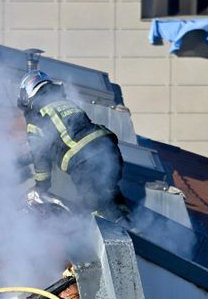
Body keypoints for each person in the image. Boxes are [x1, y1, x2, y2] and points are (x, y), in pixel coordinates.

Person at [17, 70, 126, 219]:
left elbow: (40, 154)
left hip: (85, 162)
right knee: (110, 192)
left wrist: (41, 185)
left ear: (26, 95)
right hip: (108, 149)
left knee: (97, 210)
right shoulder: (66, 103)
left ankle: (117, 236)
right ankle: (132, 227)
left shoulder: (36, 117)